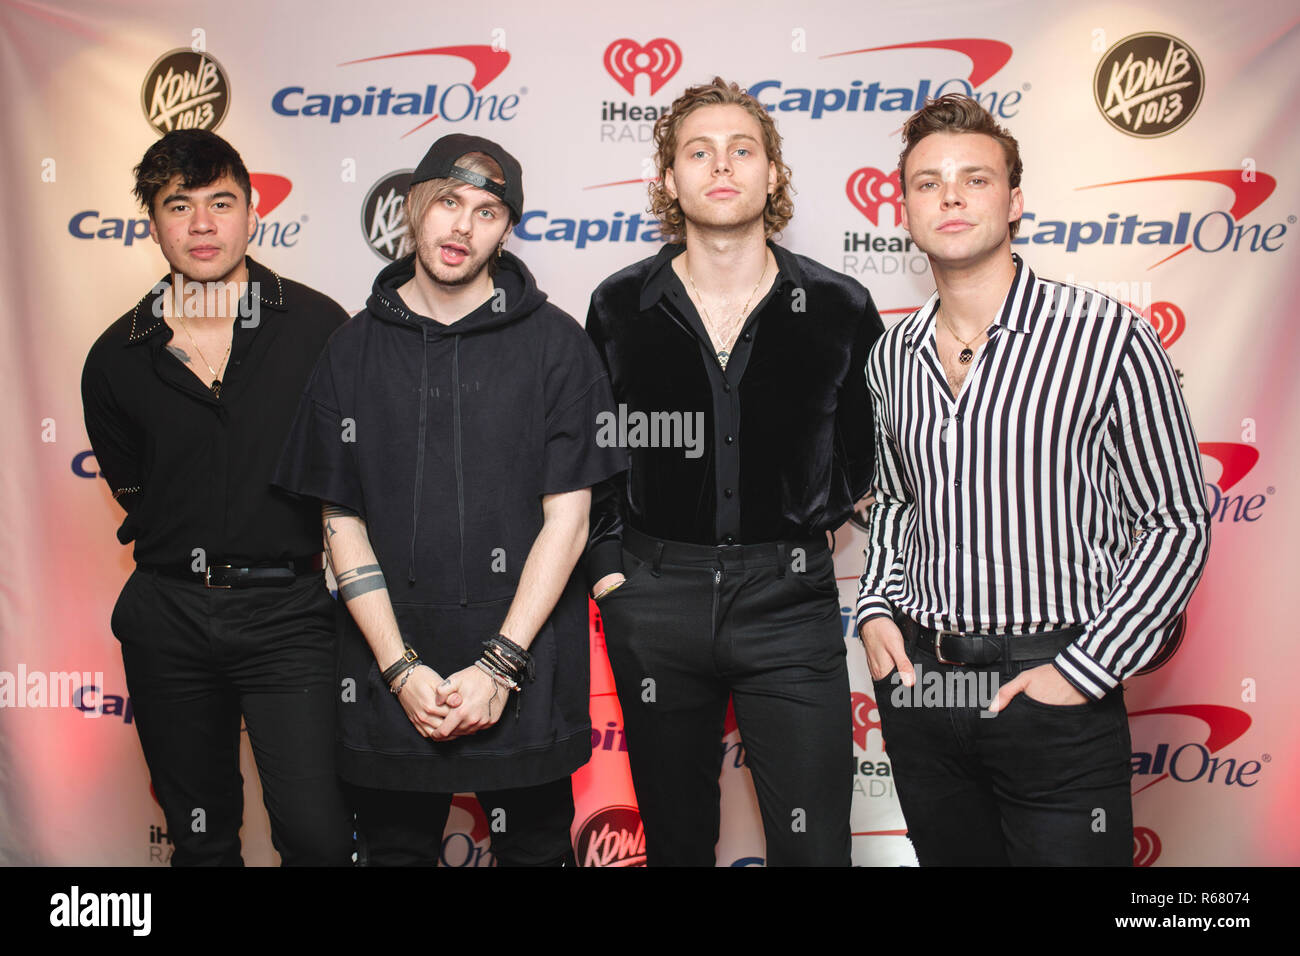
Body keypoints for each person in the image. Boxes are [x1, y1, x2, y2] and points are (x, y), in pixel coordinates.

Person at [856, 93, 1211, 866]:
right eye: (927, 182)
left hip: (1053, 689)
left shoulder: (1107, 336)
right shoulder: (891, 356)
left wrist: (1084, 670)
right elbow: (896, 502)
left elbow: (1178, 519)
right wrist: (877, 606)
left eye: (974, 179)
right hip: (923, 690)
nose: (949, 195)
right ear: (905, 210)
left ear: (1015, 201)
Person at [273, 134, 624, 866]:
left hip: (526, 671)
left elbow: (570, 519)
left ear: (507, 228)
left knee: (537, 853)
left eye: (488, 211)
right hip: (388, 674)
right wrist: (401, 671)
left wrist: (499, 666)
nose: (462, 227)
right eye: (448, 202)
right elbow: (341, 524)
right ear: (412, 206)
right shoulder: (350, 349)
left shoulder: (559, 346)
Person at [584, 77, 884, 866]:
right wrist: (613, 573)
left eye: (742, 149)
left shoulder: (839, 306)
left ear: (773, 175)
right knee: (678, 843)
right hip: (652, 604)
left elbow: (864, 454)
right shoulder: (618, 307)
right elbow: (594, 453)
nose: (722, 165)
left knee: (815, 846)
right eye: (699, 151)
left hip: (789, 603)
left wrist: (808, 513)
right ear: (670, 179)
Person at [80, 129, 352, 865]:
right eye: (179, 205)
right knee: (200, 841)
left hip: (291, 619)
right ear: (154, 222)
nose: (201, 224)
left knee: (319, 836)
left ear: (252, 213)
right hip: (168, 619)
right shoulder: (116, 356)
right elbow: (133, 487)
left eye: (220, 202)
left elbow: (353, 471)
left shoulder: (321, 327)